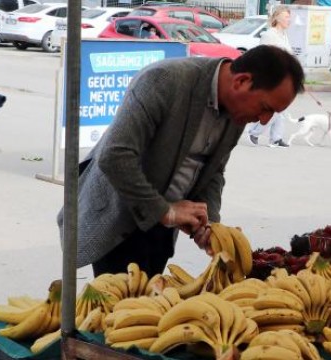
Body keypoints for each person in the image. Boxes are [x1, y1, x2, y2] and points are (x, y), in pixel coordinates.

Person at [57, 45, 305, 277]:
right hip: (121, 218)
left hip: (163, 228)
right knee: (119, 311)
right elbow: (115, 156)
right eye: (265, 108)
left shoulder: (237, 112)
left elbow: (214, 172)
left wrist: (210, 224)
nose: (263, 120)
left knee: (150, 307)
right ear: (241, 81)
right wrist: (165, 211)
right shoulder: (164, 80)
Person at [247, 5, 292, 148]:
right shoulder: (269, 35)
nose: (289, 20)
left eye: (289, 17)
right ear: (278, 18)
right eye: (286, 17)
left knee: (282, 110)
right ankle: (254, 132)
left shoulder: (283, 35)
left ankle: (276, 138)